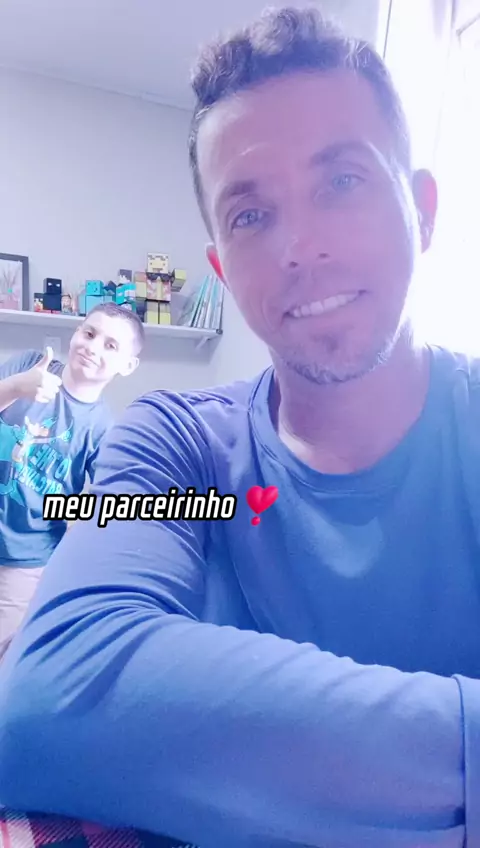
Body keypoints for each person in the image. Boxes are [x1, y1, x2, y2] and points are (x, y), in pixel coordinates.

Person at [0, 6, 477, 847]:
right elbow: (52, 691)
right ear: (221, 266)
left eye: (343, 181)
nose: (301, 245)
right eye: (251, 215)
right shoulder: (170, 445)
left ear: (423, 209)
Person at [0, 302, 144, 657]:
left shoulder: (103, 431)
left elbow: (99, 510)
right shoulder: (29, 365)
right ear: (76, 332)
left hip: (25, 561)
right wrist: (16, 387)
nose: (93, 347)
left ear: (128, 365)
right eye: (89, 333)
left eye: (110, 345)